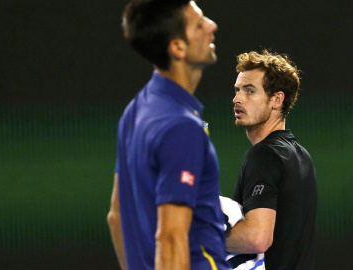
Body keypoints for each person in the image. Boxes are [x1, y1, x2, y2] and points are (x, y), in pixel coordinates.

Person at [106, 1, 230, 269]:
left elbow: (116, 217)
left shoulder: (135, 109)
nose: (212, 26)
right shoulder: (182, 128)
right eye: (199, 23)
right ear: (177, 47)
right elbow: (171, 238)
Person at [226, 50, 318, 270]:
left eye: (250, 91)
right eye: (238, 90)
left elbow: (257, 238)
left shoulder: (263, 155)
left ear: (277, 99)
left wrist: (194, 236)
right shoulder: (301, 155)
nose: (237, 98)